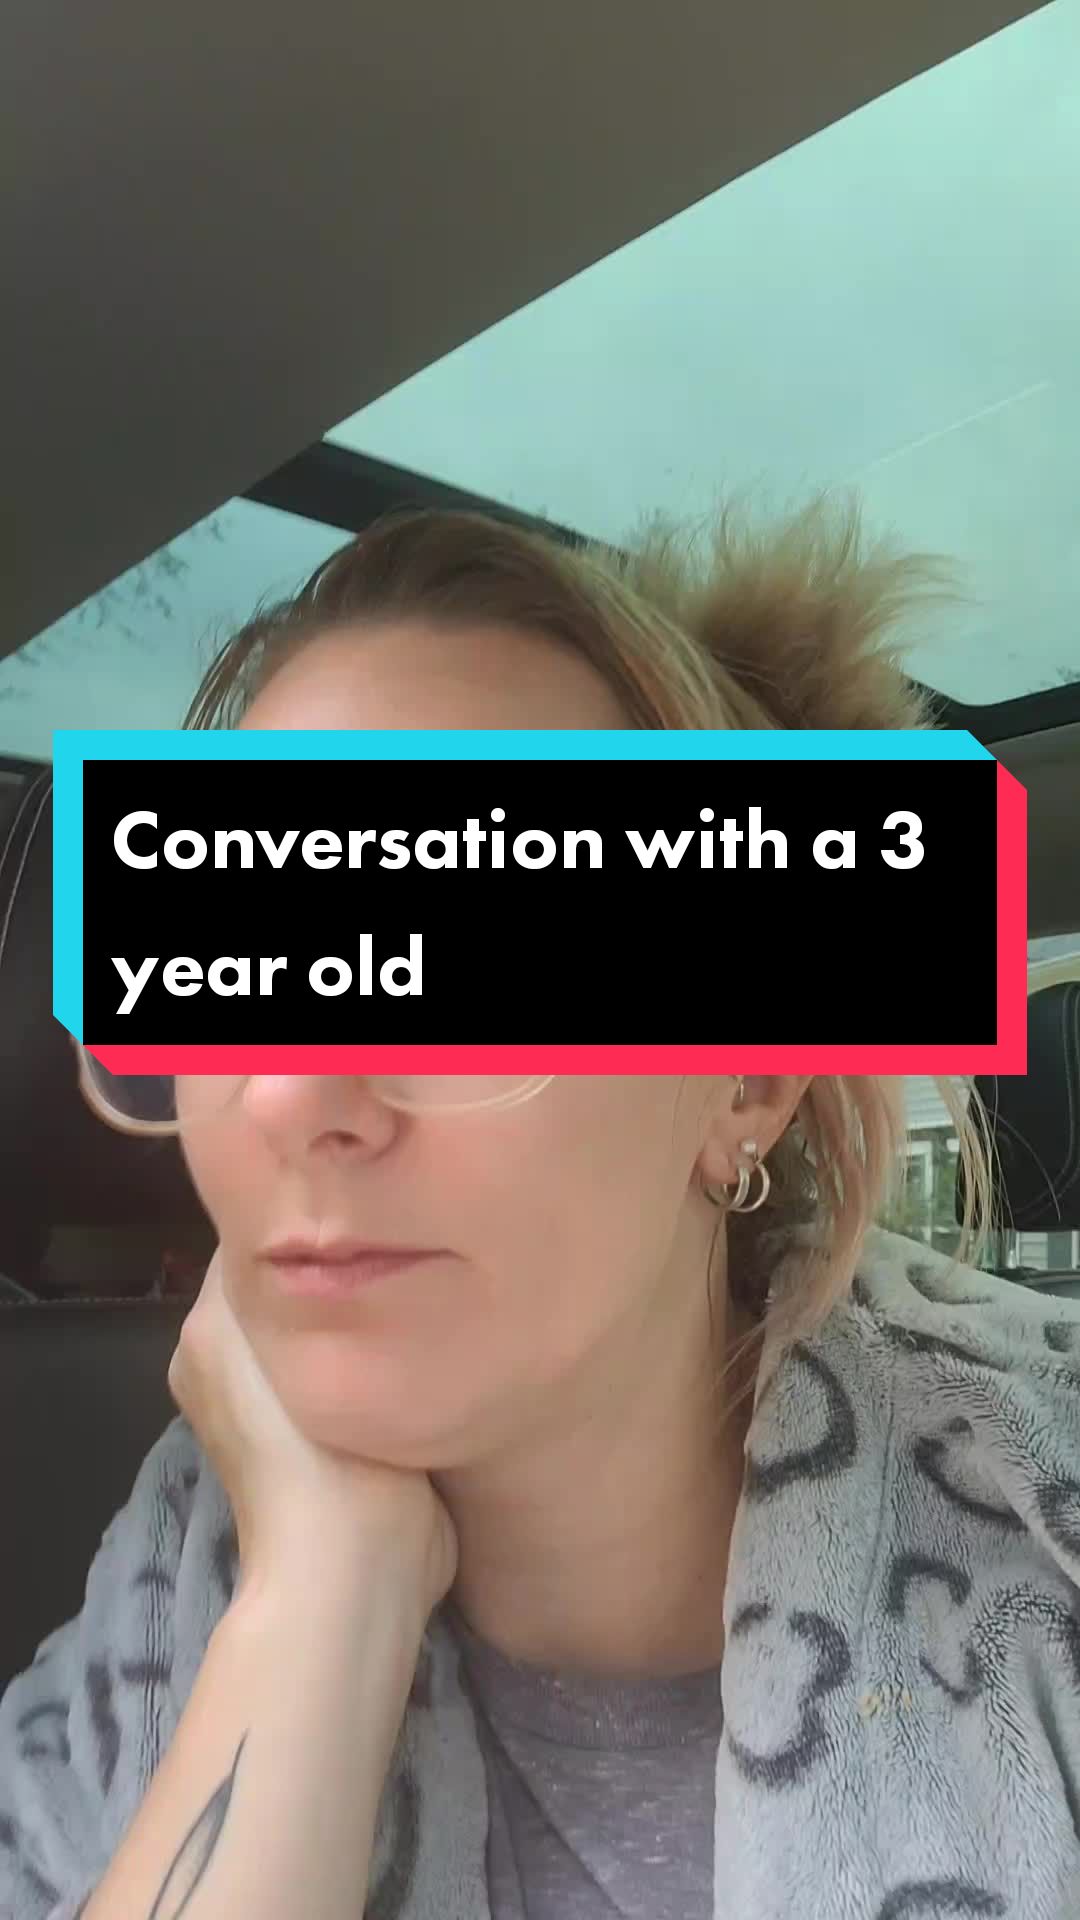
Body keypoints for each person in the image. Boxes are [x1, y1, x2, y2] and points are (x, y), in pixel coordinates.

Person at [3, 500, 1079, 1920]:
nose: (287, 1094)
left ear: (746, 1082)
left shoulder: (1041, 1514)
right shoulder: (181, 1560)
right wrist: (319, 1597)